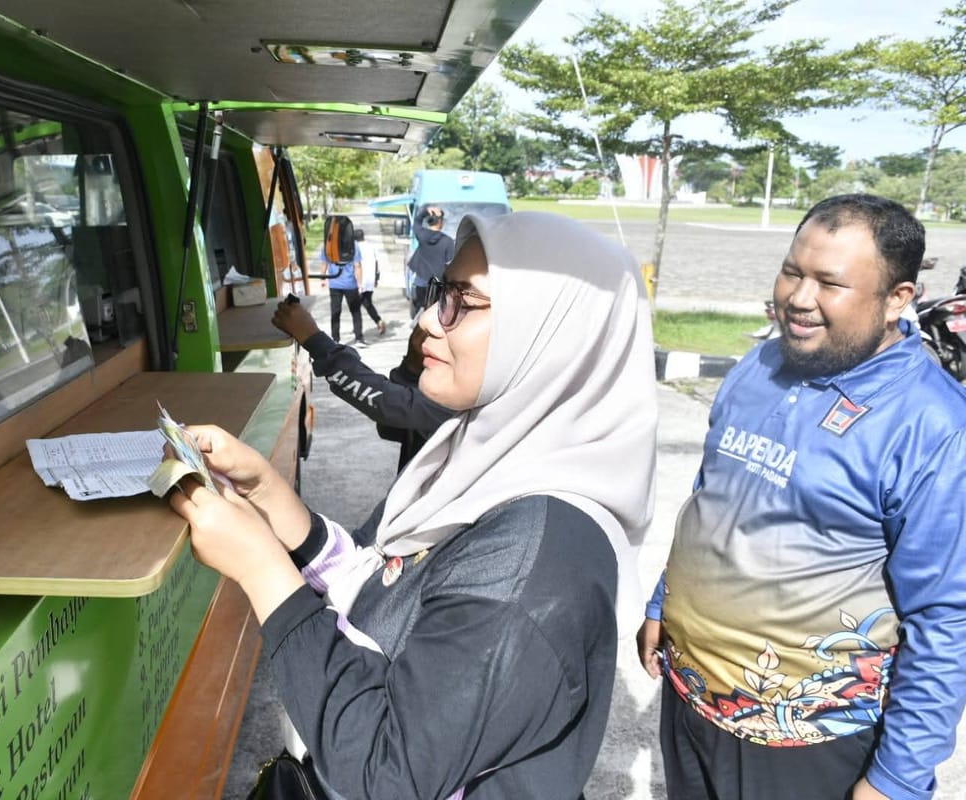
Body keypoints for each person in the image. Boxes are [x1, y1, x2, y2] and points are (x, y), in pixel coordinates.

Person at [167, 211, 659, 799]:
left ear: (553, 338)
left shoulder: (534, 564)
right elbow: (384, 577)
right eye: (440, 293)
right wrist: (270, 495)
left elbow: (389, 776)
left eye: (462, 302)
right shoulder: (484, 456)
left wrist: (261, 569)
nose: (427, 320)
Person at [636, 194, 966, 800]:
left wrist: (896, 779)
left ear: (897, 298)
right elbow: (714, 499)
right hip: (689, 699)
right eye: (792, 272)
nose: (799, 297)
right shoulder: (761, 364)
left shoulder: (935, 427)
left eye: (830, 283)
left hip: (810, 742)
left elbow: (947, 619)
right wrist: (665, 600)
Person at [272, 299, 452, 471]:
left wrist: (315, 341)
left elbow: (389, 404)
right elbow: (392, 427)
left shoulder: (462, 402)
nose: (427, 320)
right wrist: (412, 368)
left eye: (460, 306)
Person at [407, 205, 455, 318]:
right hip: (438, 285)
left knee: (420, 312)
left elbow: (416, 222)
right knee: (436, 314)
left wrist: (426, 211)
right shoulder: (447, 241)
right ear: (440, 222)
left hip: (420, 282)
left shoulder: (422, 235)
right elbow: (451, 264)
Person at [317, 232, 365, 345]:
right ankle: (359, 338)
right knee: (355, 311)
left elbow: (324, 263)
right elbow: (357, 265)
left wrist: (323, 278)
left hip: (334, 283)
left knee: (335, 312)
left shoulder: (328, 244)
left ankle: (335, 339)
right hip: (350, 284)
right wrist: (360, 283)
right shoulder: (353, 244)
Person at [354, 227, 386, 335]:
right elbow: (377, 262)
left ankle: (358, 329)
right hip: (370, 279)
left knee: (357, 306)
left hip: (359, 280)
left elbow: (355, 265)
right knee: (367, 303)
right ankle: (378, 321)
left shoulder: (355, 248)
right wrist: (377, 277)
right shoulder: (371, 246)